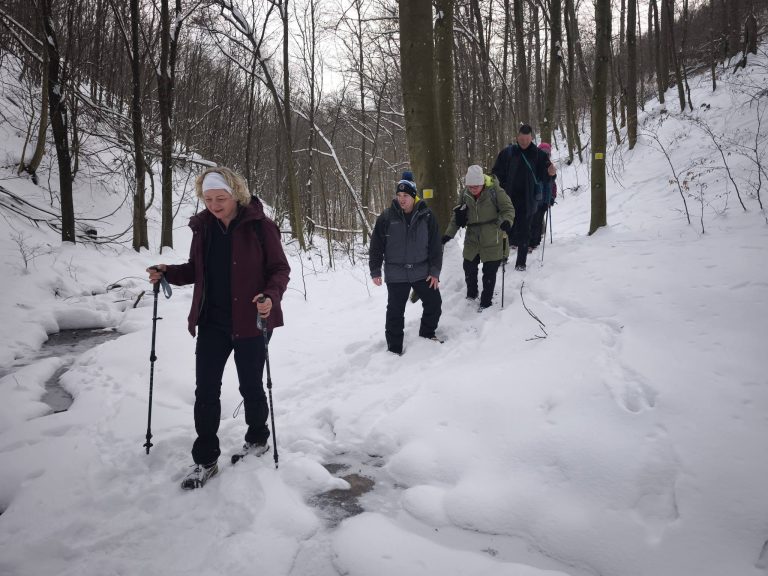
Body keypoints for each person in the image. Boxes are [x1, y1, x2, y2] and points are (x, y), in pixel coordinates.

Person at [147, 166, 290, 490]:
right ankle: (205, 460)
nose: (213, 204)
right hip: (212, 321)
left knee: (251, 386)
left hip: (252, 320)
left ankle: (257, 440)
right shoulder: (204, 230)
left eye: (220, 198)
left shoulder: (261, 228)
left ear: (235, 194)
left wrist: (270, 295)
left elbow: (280, 269)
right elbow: (197, 270)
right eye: (208, 198)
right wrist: (168, 272)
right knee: (206, 391)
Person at [369, 172, 443, 355]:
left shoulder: (427, 216)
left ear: (413, 196)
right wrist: (375, 270)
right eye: (399, 196)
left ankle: (427, 334)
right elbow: (376, 246)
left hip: (422, 271)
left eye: (406, 196)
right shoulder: (386, 218)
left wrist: (434, 271)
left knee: (434, 303)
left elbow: (435, 246)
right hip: (396, 274)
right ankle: (394, 350)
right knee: (395, 313)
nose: (402, 199)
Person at [442, 165, 515, 310]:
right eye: (470, 186)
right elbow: (456, 216)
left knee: (489, 271)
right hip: (472, 237)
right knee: (468, 266)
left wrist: (507, 221)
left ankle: (486, 301)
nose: (473, 189)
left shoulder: (495, 191)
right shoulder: (464, 194)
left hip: (492, 235)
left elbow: (508, 209)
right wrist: (448, 234)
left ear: (482, 182)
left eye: (476, 186)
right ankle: (471, 294)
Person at [492, 124, 556, 271]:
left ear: (531, 138)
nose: (524, 143)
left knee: (525, 231)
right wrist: (497, 185)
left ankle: (521, 262)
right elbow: (496, 172)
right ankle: (502, 257)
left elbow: (546, 176)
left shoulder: (539, 155)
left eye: (527, 140)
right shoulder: (508, 153)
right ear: (517, 137)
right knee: (505, 228)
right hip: (508, 198)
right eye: (521, 140)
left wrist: (551, 173)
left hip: (528, 200)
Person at [529, 142, 556, 250]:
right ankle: (531, 242)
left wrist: (552, 197)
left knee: (539, 220)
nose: (545, 155)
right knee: (532, 220)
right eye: (543, 152)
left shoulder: (550, 167)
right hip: (535, 199)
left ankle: (536, 241)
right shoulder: (534, 165)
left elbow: (553, 185)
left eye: (547, 153)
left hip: (545, 200)